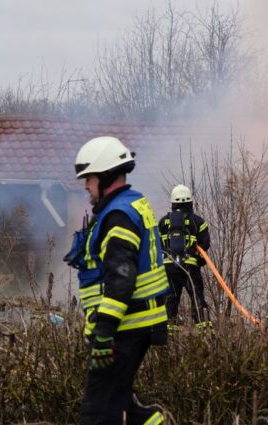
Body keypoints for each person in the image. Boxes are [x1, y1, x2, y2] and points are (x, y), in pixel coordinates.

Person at [65, 136, 169, 425]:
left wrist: (104, 332)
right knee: (122, 405)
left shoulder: (118, 216)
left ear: (107, 176)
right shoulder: (131, 205)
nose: (86, 185)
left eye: (89, 178)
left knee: (98, 413)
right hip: (135, 324)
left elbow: (121, 279)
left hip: (124, 329)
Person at [158, 184, 211, 330]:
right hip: (190, 270)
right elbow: (205, 244)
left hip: (169, 270)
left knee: (170, 303)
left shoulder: (163, 222)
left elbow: (158, 246)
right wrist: (199, 262)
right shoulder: (198, 222)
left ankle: (169, 344)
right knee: (198, 301)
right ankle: (205, 336)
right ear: (190, 202)